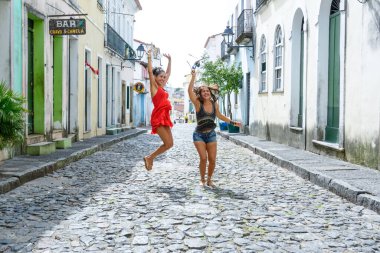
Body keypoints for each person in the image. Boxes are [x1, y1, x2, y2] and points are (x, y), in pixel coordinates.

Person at [188, 69, 241, 188]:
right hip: (199, 135)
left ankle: (209, 179)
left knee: (212, 159)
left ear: (210, 93)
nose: (206, 93)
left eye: (207, 91)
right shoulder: (197, 104)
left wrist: (233, 122)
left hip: (211, 134)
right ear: (200, 94)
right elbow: (189, 92)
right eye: (203, 91)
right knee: (203, 158)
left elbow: (220, 116)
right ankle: (202, 179)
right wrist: (193, 77)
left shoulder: (214, 104)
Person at [143, 49, 173, 171]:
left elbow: (168, 74)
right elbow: (150, 72)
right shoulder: (154, 86)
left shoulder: (162, 87)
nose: (163, 78)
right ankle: (150, 158)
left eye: (163, 77)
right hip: (158, 117)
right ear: (155, 77)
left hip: (165, 117)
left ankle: (150, 158)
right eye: (160, 77)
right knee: (167, 143)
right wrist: (149, 58)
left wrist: (170, 61)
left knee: (170, 144)